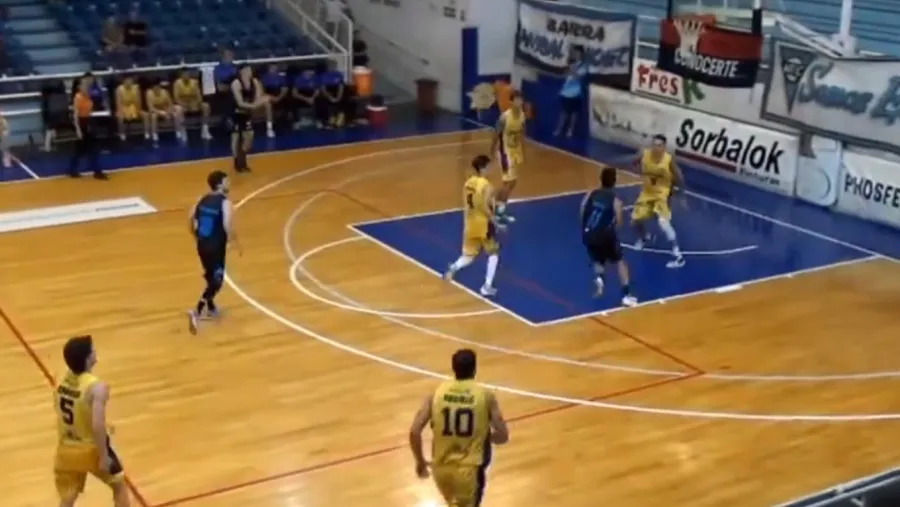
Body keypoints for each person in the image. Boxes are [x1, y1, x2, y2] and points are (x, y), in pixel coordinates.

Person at [408, 348, 509, 507]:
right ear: (475, 369)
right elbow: (503, 436)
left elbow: (415, 431)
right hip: (469, 471)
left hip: (440, 469)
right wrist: (483, 435)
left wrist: (420, 462)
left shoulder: (437, 393)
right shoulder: (485, 395)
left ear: (453, 367)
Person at [54, 335, 130, 507]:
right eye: (93, 350)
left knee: (68, 497)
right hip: (91, 448)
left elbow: (61, 408)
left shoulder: (60, 379)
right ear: (88, 359)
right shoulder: (97, 388)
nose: (96, 351)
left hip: (66, 448)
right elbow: (97, 425)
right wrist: (103, 456)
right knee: (119, 486)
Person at [187, 170, 240, 334]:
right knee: (217, 281)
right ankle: (197, 310)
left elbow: (190, 218)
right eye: (226, 181)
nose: (229, 184)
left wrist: (194, 235)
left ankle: (210, 307)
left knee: (210, 276)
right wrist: (235, 242)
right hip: (216, 246)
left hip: (202, 244)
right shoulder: (225, 203)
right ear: (219, 185)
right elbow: (227, 225)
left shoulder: (201, 199)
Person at [443, 155, 501, 297]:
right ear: (483, 168)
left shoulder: (468, 183)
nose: (491, 169)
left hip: (470, 222)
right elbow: (484, 205)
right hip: (483, 224)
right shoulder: (487, 185)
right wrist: (494, 220)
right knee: (493, 253)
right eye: (488, 166)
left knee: (469, 255)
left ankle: (453, 268)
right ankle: (487, 286)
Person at [581, 167, 637, 306]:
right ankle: (626, 295)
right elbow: (619, 222)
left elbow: (582, 211)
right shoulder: (616, 201)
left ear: (601, 179)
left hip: (588, 233)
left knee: (597, 260)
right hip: (605, 235)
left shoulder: (591, 193)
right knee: (620, 262)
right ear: (614, 182)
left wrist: (585, 228)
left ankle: (600, 277)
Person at [631, 134, 685, 268]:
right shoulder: (645, 155)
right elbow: (634, 163)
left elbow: (679, 176)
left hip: (662, 194)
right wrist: (636, 161)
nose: (656, 148)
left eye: (659, 145)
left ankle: (678, 256)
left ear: (664, 147)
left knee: (663, 223)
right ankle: (644, 237)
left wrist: (681, 195)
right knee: (635, 219)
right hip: (647, 192)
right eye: (654, 145)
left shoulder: (668, 159)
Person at [489, 90, 526, 224]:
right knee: (507, 183)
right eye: (516, 100)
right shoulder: (504, 117)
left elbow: (522, 133)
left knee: (513, 183)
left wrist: (523, 151)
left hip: (516, 151)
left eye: (520, 99)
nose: (519, 102)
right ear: (511, 102)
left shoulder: (522, 116)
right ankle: (498, 211)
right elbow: (496, 133)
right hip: (505, 151)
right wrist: (492, 150)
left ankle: (496, 205)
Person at [68, 75, 107, 179]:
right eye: (84, 85)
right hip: (80, 122)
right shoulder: (78, 97)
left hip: (87, 121)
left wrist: (90, 123)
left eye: (88, 85)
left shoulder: (89, 96)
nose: (87, 87)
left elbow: (90, 111)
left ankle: (97, 171)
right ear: (79, 87)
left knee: (91, 149)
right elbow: (75, 115)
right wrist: (78, 130)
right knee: (80, 150)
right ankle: (73, 170)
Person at [230, 63, 267, 173]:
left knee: (249, 137)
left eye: (250, 70)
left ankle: (242, 159)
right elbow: (240, 103)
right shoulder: (236, 83)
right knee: (236, 137)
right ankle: (238, 162)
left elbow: (258, 97)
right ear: (241, 72)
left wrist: (260, 102)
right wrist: (254, 106)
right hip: (234, 112)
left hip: (247, 112)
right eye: (246, 70)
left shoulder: (254, 82)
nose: (249, 72)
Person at [554, 45, 588, 138]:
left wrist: (572, 69)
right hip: (566, 92)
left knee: (574, 113)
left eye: (578, 53)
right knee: (563, 112)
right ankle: (559, 129)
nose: (576, 55)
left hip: (576, 93)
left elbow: (578, 77)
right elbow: (565, 75)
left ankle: (570, 130)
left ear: (581, 54)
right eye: (575, 53)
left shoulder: (583, 66)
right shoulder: (571, 64)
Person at [172, 68, 212, 140]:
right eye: (184, 74)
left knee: (206, 106)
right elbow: (176, 98)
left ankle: (205, 130)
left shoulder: (194, 82)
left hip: (194, 103)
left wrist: (196, 103)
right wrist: (184, 105)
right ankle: (182, 131)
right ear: (181, 75)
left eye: (187, 74)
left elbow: (199, 96)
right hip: (182, 104)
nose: (186, 76)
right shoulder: (177, 83)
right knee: (178, 109)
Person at [114, 75, 148, 141]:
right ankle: (122, 133)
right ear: (124, 82)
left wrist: (138, 110)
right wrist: (123, 112)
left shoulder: (136, 88)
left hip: (134, 107)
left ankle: (146, 133)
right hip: (123, 108)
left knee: (145, 115)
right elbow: (118, 103)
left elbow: (139, 101)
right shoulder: (119, 89)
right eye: (127, 81)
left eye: (130, 81)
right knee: (120, 117)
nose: (129, 83)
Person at [260, 63, 285, 138]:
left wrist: (279, 98)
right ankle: (269, 128)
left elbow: (284, 90)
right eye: (271, 67)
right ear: (268, 68)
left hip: (279, 96)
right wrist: (271, 98)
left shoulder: (281, 77)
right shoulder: (263, 77)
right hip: (267, 96)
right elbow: (261, 91)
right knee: (268, 105)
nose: (273, 69)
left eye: (275, 67)